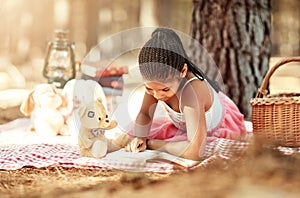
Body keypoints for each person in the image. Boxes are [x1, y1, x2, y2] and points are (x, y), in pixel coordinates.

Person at [125, 27, 246, 161]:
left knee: (183, 146)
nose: (157, 96)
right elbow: (145, 113)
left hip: (217, 128)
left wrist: (151, 143)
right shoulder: (156, 83)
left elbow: (195, 152)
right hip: (188, 127)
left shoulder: (191, 92)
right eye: (149, 89)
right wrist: (141, 137)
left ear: (183, 71)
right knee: (134, 133)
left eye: (165, 90)